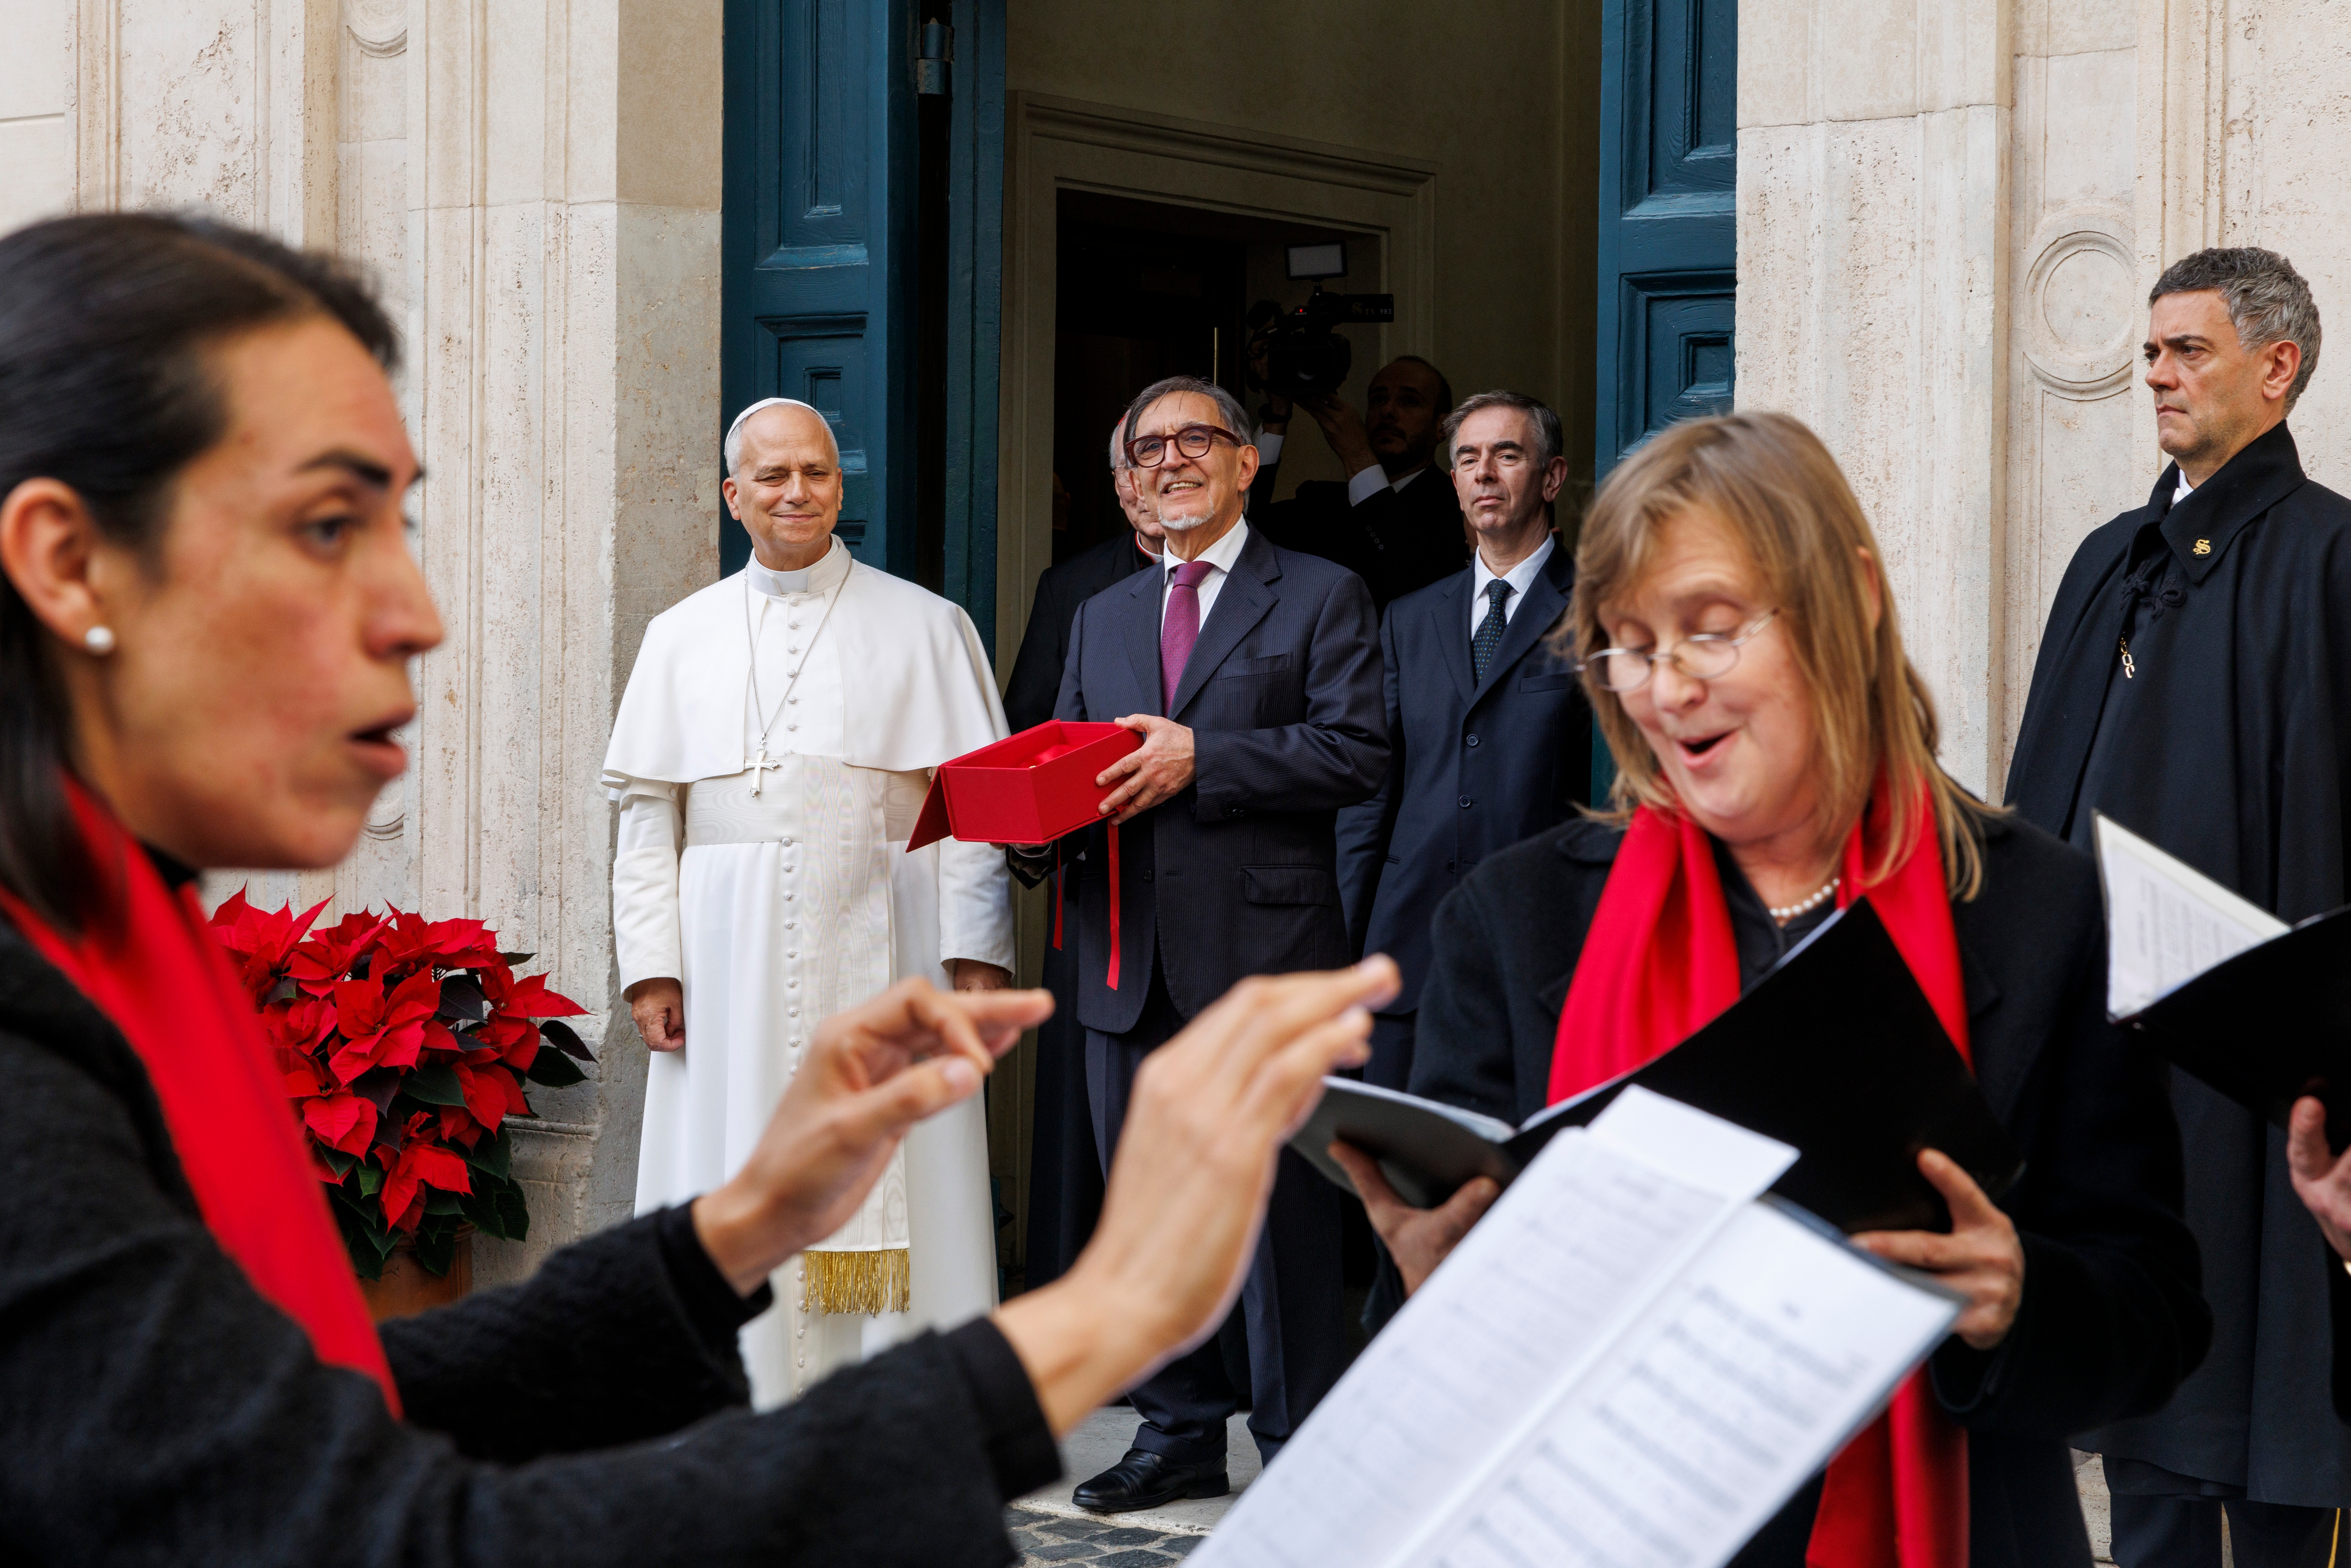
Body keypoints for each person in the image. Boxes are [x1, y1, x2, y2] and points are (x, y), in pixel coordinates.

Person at [0, 208, 1404, 1565]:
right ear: (68, 562)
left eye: (399, 519)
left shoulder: (116, 932)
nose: (417, 610)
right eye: (326, 523)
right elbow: (359, 1524)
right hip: (736, 950)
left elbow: (320, 1399)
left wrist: (726, 1232)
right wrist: (1096, 1316)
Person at [1339, 411, 2209, 1567]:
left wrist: (2015, 1297)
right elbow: (1436, 1342)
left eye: (1708, 631)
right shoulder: (1516, 918)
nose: (1668, 688)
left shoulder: (2035, 906)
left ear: (1848, 598)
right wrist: (1428, 1291)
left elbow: (2153, 1313)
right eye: (1632, 644)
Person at [2004, 247, 2351, 1567]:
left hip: (2267, 1084)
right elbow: (2041, 813)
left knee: (2271, 1435)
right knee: (2134, 1419)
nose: (2155, 373)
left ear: (2279, 366)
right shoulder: (2106, 560)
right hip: (2112, 1066)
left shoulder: (2334, 558)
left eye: (2187, 349)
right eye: (2150, 350)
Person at [1009, 373, 1387, 1512]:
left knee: (1277, 1217)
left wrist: (1205, 760)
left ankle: (1301, 1445)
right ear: (1128, 478)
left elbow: (1359, 751)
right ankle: (1175, 1431)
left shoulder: (1322, 592)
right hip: (1122, 955)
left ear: (1244, 463)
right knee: (1148, 1209)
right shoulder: (1102, 613)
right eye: (1147, 447)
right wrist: (1027, 828)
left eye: (1196, 440)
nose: (1171, 459)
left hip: (1262, 957)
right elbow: (1078, 761)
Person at [604, 396, 1015, 1406]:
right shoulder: (678, 634)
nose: (799, 492)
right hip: (723, 955)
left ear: (841, 486)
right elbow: (647, 816)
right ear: (733, 494)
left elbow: (972, 811)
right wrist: (652, 964)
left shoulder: (928, 624)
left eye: (819, 473)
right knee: (730, 1152)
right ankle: (728, 1388)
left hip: (890, 936)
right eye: (776, 475)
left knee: (897, 1161)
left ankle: (896, 1394)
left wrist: (974, 957)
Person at [1335, 390, 1591, 1093]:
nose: (1484, 473)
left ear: (1551, 475)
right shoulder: (1408, 619)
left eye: (1507, 454)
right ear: (1452, 481)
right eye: (1468, 458)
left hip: (1542, 952)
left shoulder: (1602, 613)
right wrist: (1347, 948)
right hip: (1403, 955)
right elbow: (1370, 795)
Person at [1001, 416, 1165, 1290]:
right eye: (1135, 465)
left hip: (1206, 885)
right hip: (1098, 889)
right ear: (1116, 484)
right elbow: (1031, 723)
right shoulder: (1075, 588)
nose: (1154, 481)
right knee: (1086, 1112)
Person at [1251, 355, 1467, 608]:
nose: (1387, 411)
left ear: (1442, 427)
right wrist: (1276, 417)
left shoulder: (1460, 506)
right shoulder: (1319, 501)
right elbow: (1245, 528)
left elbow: (1413, 579)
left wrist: (1357, 456)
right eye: (1378, 399)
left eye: (1409, 401)